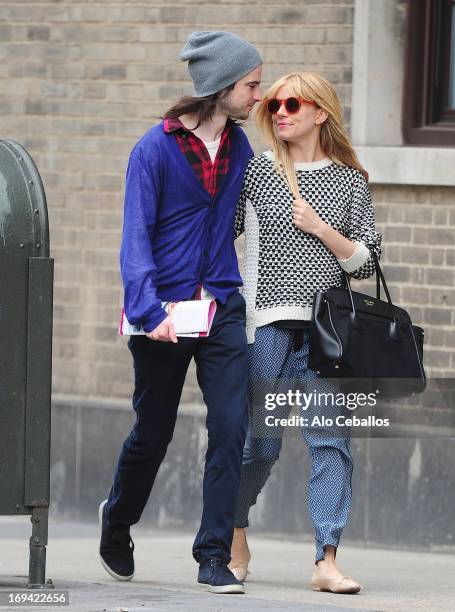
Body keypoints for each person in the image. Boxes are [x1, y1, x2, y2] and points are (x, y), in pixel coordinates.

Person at [98, 31, 262, 594]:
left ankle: (212, 555)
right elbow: (135, 237)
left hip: (220, 304)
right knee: (155, 431)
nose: (257, 96)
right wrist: (147, 309)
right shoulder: (154, 149)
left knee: (231, 427)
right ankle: (117, 521)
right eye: (251, 85)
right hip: (162, 312)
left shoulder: (240, 148)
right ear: (221, 87)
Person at [229, 71, 382, 594]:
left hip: (327, 336)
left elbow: (367, 262)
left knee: (330, 443)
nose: (280, 112)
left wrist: (321, 229)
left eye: (293, 103)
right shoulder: (257, 172)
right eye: (273, 104)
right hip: (267, 327)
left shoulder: (349, 180)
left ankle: (326, 559)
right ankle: (235, 529)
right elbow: (222, 239)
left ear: (321, 112)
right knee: (259, 447)